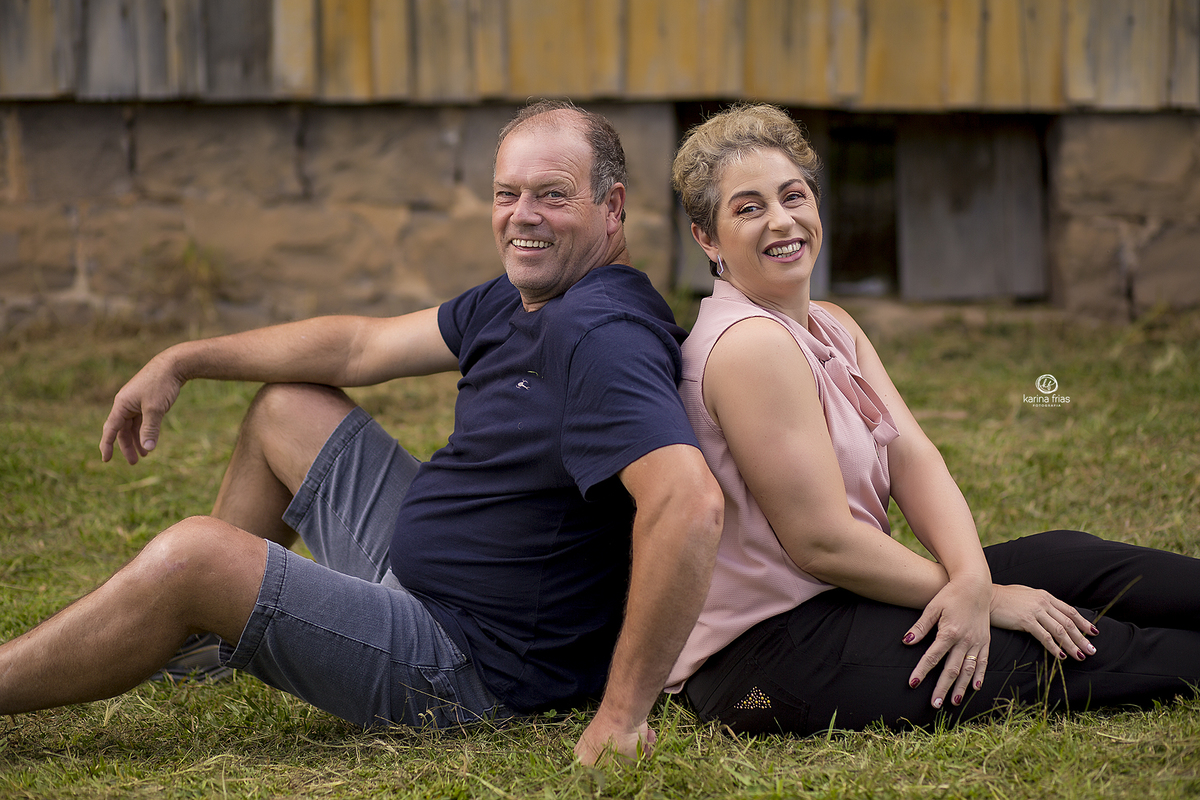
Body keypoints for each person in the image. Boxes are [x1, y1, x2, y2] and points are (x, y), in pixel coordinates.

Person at [0, 100, 724, 765]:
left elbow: (687, 504)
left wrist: (622, 714)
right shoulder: (524, 297)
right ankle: (203, 634)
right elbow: (358, 346)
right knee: (287, 405)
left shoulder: (601, 331)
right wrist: (182, 360)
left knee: (192, 557)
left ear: (613, 207)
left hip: (468, 663)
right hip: (425, 579)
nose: (522, 216)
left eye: (552, 195)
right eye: (508, 194)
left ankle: (165, 613)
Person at [665, 103, 1200, 736]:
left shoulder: (832, 323)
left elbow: (913, 457)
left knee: (1074, 560)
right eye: (748, 208)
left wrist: (973, 578)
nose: (783, 220)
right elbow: (821, 542)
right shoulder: (748, 345)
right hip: (769, 657)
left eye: (794, 195)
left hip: (846, 598)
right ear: (706, 236)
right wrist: (992, 600)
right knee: (1072, 651)